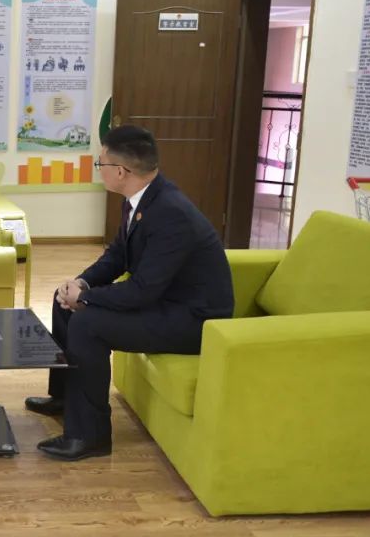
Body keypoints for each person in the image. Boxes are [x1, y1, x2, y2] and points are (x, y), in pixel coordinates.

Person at [27, 125, 234, 461]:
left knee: (87, 324)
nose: (99, 169)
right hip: (165, 302)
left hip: (193, 320)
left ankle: (90, 435)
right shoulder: (141, 199)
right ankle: (65, 398)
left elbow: (142, 292)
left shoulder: (171, 213)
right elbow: (117, 256)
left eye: (100, 164)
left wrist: (87, 299)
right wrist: (81, 284)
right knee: (63, 301)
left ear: (120, 171)